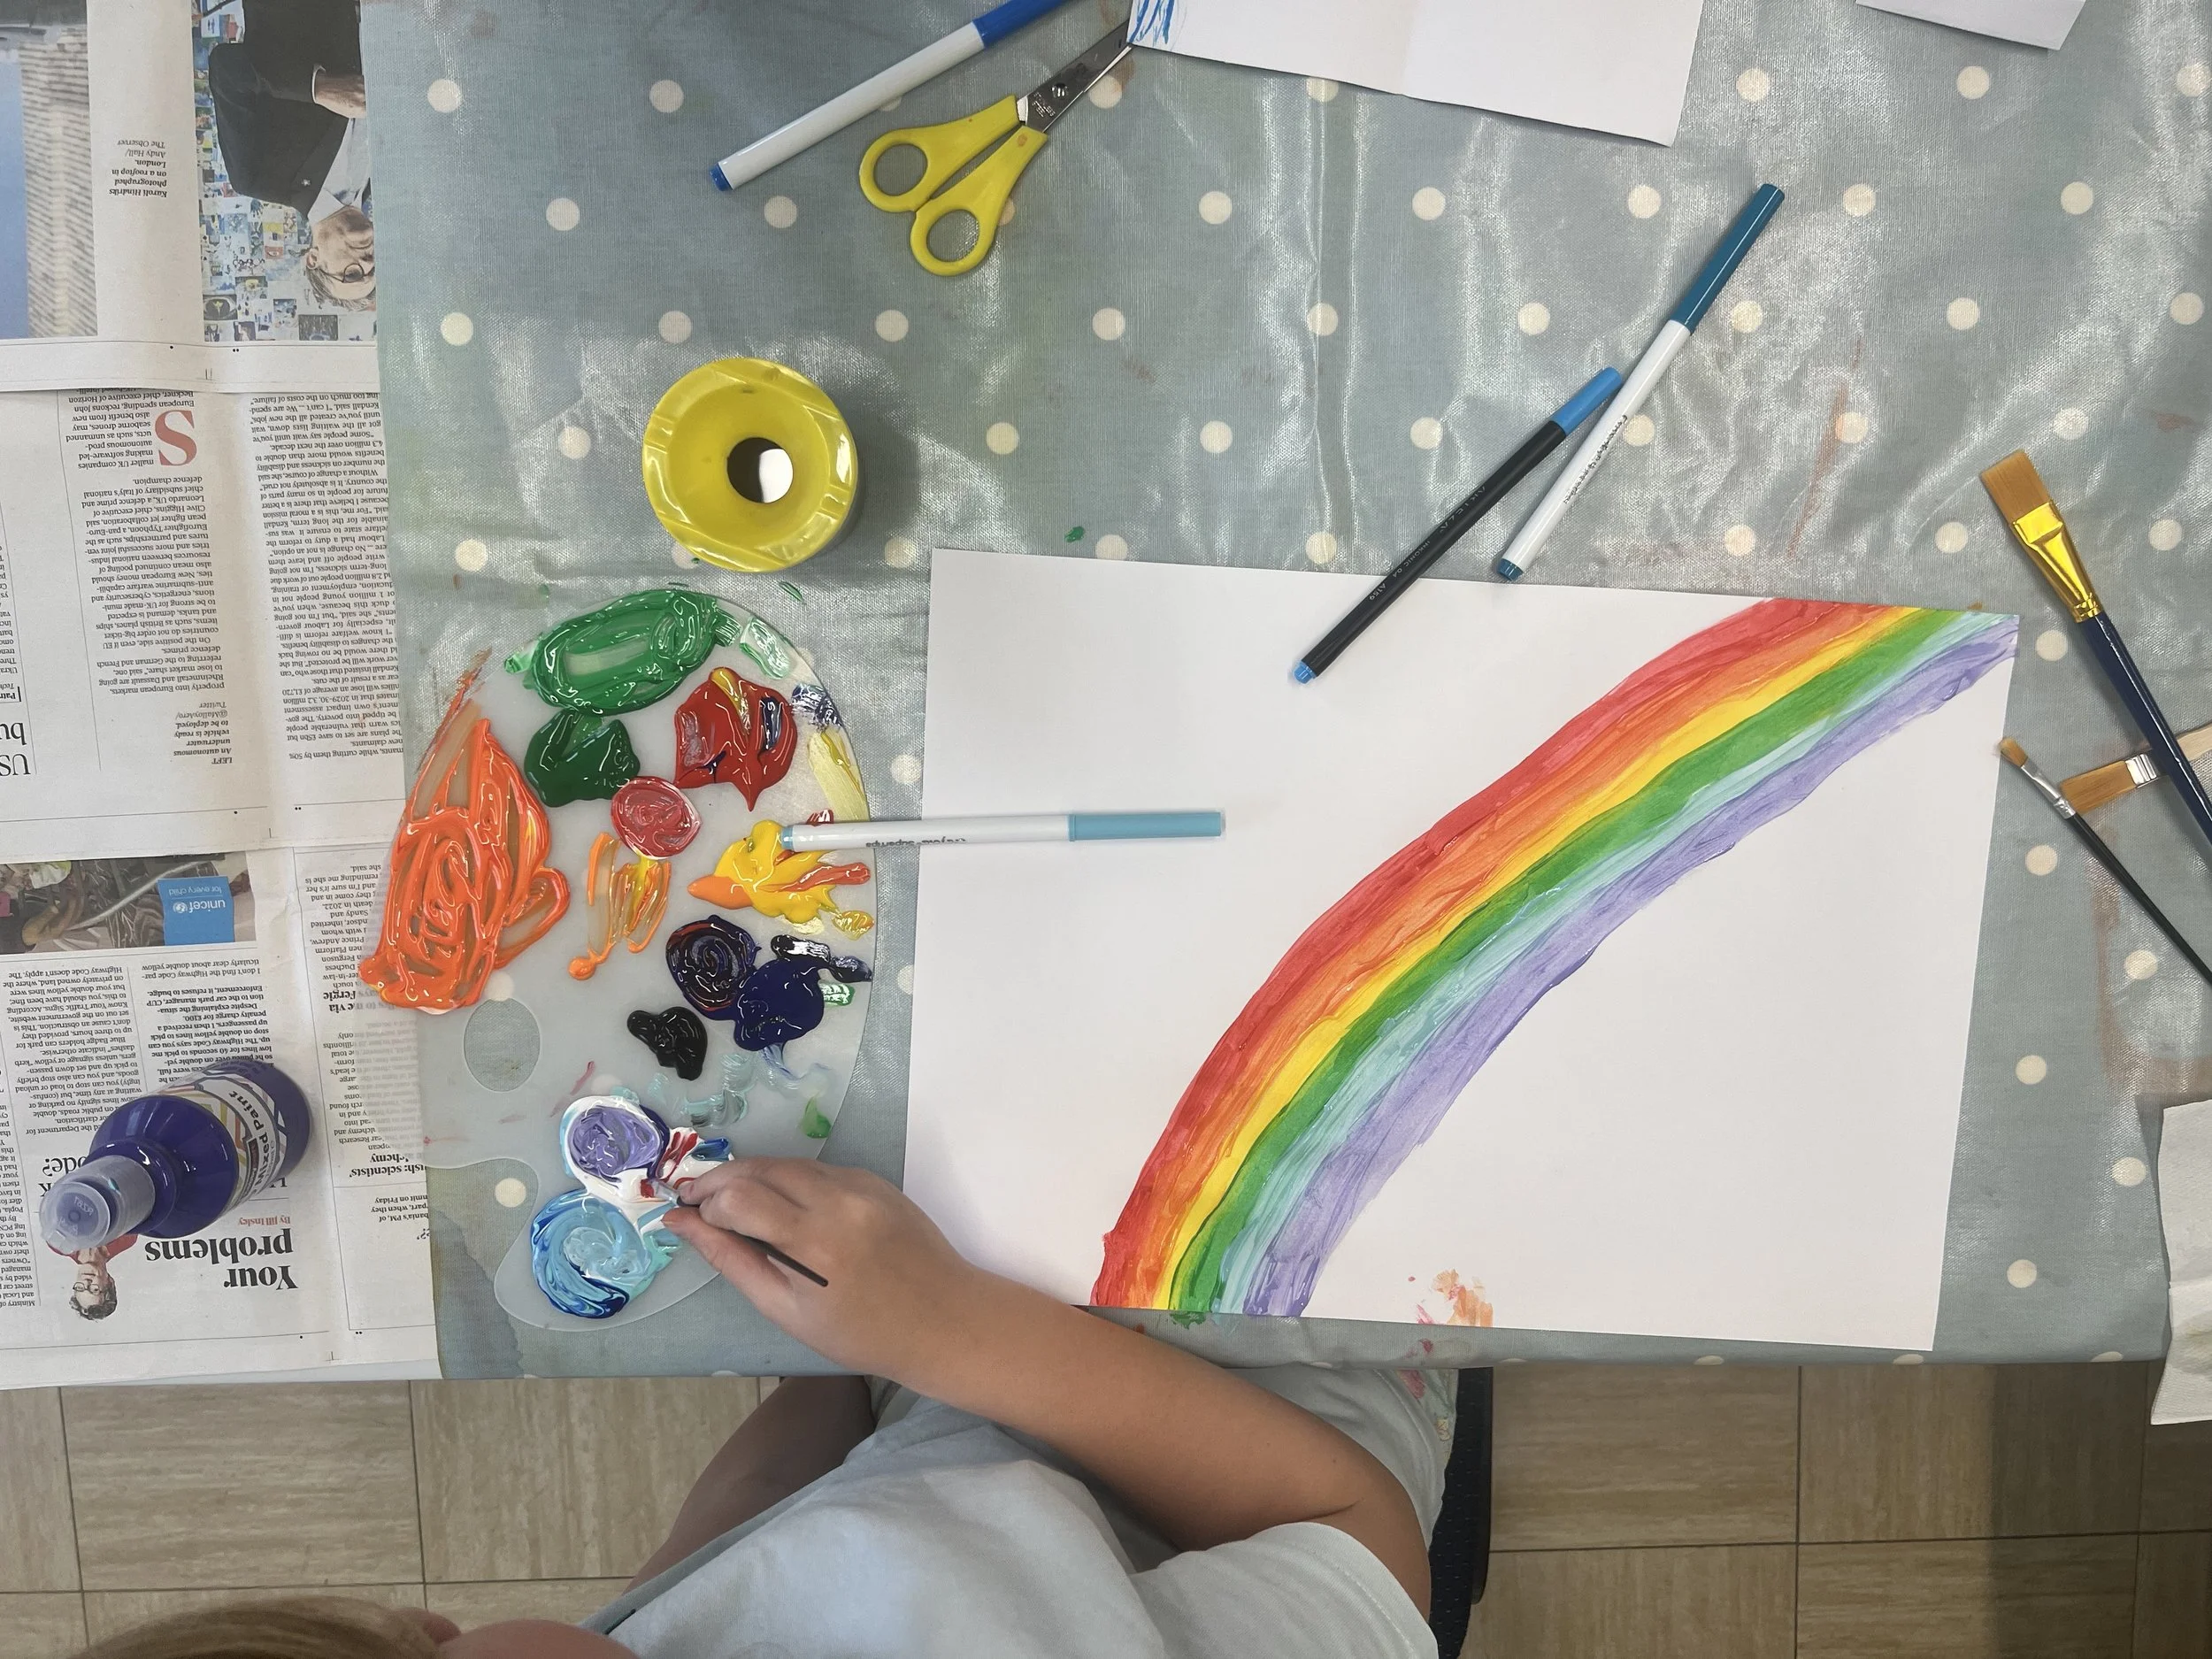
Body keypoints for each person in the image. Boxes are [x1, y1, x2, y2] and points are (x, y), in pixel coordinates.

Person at [67, 1157, 1452, 1657]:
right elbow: (1350, 1522)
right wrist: (953, 1331)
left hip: (950, 1359)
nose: (438, 1623)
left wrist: (831, 1357)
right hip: (1286, 1367)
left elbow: (741, 1548)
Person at [205, 0, 374, 309]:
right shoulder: (389, 173)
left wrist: (317, 88)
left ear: (313, 258)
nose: (365, 262)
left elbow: (226, 68)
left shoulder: (256, 177)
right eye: (373, 270)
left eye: (351, 275)